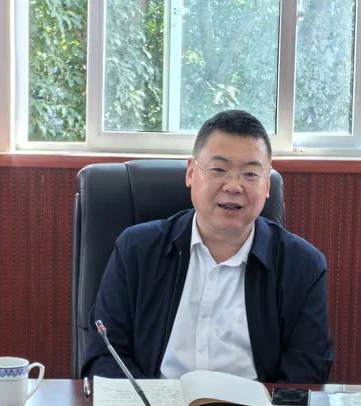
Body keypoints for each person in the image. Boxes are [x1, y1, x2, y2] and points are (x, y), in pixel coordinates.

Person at [82, 110, 333, 383]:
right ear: (191, 172)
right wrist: (152, 404)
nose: (234, 186)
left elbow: (307, 374)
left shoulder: (302, 266)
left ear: (266, 186)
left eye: (250, 174)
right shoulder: (136, 250)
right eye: (218, 170)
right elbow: (104, 356)